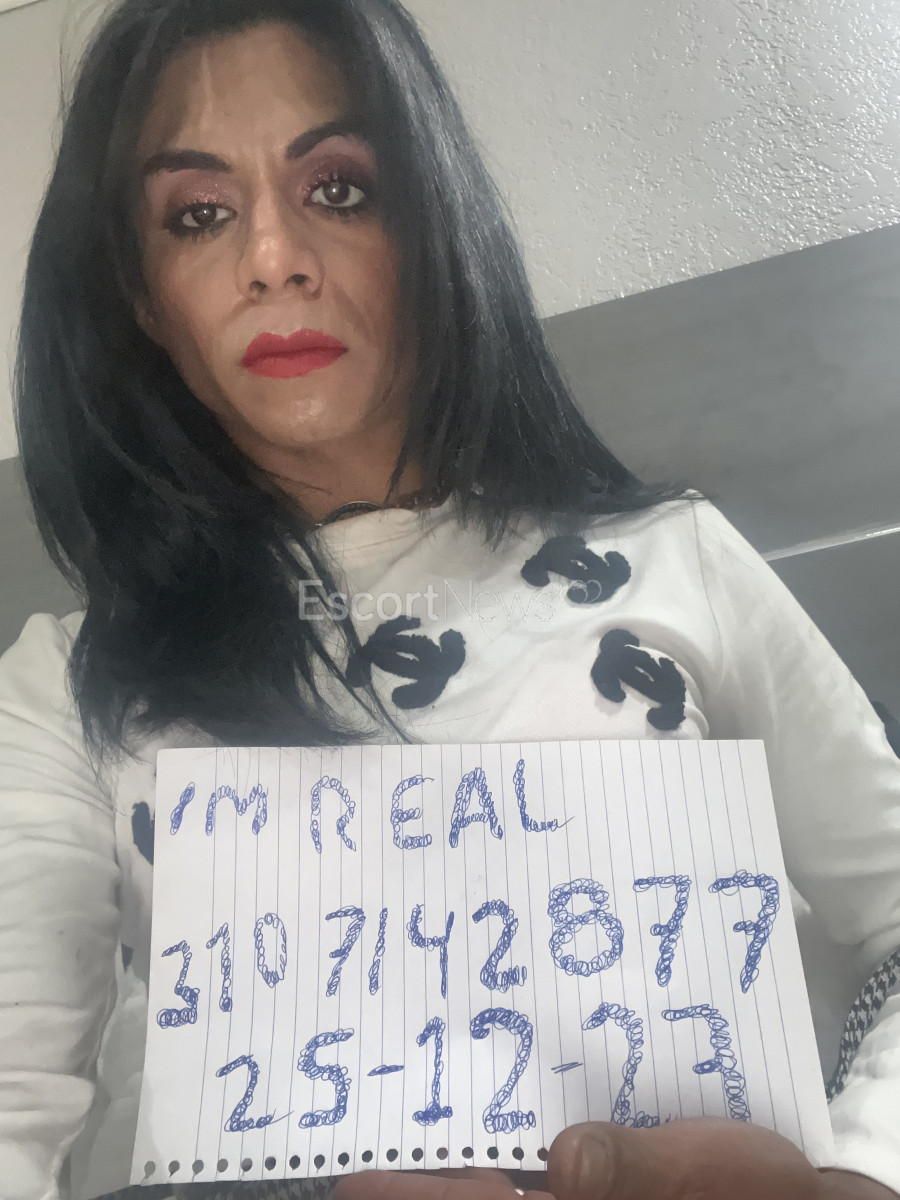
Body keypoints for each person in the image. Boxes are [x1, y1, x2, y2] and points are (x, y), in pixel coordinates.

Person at [1, 0, 898, 1197]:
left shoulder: (674, 558)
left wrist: (858, 1178)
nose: (272, 257)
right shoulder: (64, 691)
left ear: (429, 225)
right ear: (141, 296)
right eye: (199, 214)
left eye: (338, 189)